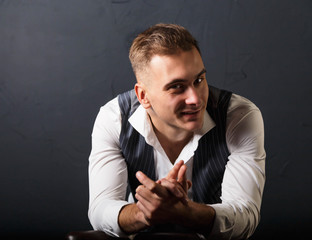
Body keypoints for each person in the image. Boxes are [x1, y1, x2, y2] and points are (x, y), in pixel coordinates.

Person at [88, 23, 266, 240]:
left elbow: (245, 215)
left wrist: (186, 213)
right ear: (143, 96)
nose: (196, 99)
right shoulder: (114, 118)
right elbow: (100, 209)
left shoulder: (238, 116)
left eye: (199, 80)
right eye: (177, 87)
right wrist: (144, 213)